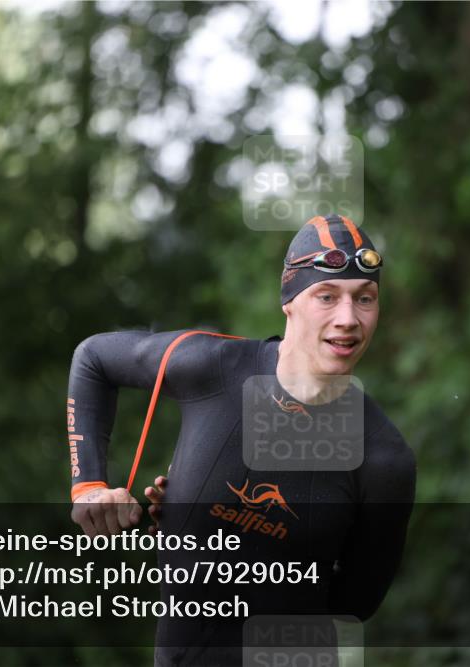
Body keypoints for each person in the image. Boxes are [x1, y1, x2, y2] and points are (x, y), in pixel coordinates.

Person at [66, 214, 416, 666]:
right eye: (326, 297)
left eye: (364, 299)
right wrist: (89, 485)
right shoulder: (210, 366)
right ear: (290, 302)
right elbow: (93, 358)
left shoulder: (384, 460)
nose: (347, 319)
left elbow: (353, 606)